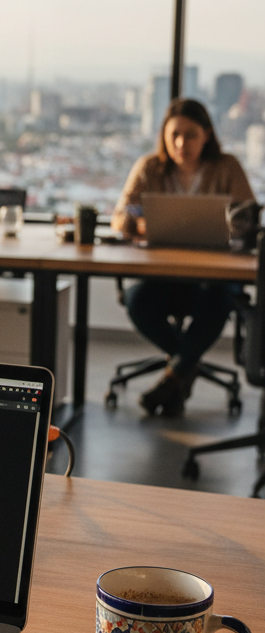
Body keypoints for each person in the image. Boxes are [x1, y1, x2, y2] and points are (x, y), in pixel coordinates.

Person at [111, 97, 254, 417]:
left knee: (218, 300)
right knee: (137, 301)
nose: (181, 143)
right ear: (163, 135)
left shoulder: (226, 167)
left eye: (190, 135)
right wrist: (139, 222)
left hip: (213, 279)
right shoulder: (150, 168)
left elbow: (248, 219)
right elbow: (121, 215)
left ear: (206, 134)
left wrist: (231, 227)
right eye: (173, 134)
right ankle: (184, 367)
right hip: (164, 276)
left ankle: (174, 374)